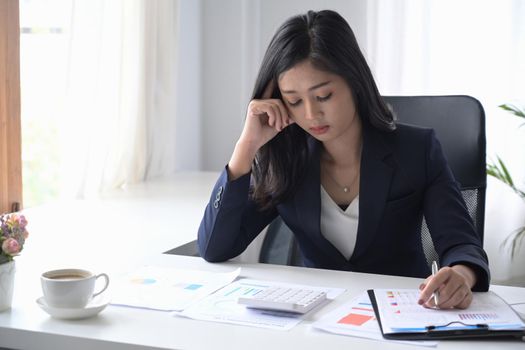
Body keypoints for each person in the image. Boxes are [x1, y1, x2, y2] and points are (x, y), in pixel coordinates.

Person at [197, 9, 489, 309]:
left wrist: (461, 275)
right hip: (316, 317)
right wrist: (245, 147)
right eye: (294, 101)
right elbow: (215, 248)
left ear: (354, 82)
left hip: (403, 311)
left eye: (323, 96)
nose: (311, 114)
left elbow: (461, 243)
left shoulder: (418, 150)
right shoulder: (285, 159)